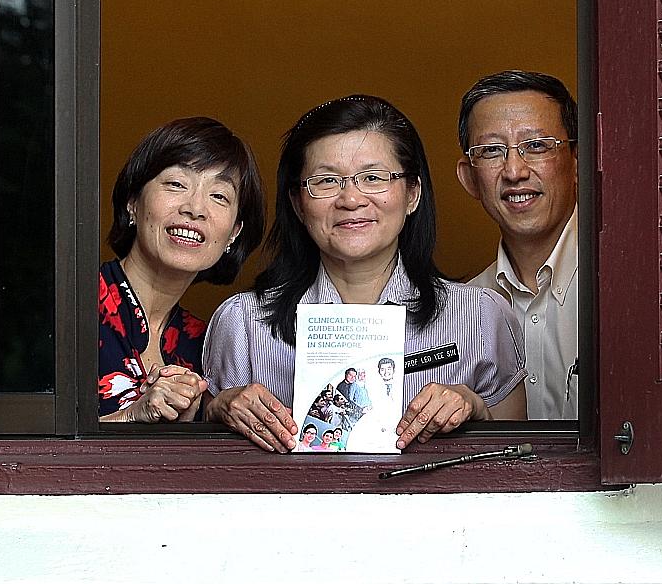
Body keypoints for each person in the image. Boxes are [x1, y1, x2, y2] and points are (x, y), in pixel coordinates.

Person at [203, 95, 526, 451]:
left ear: (412, 194)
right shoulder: (243, 323)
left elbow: (520, 463)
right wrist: (217, 411)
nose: (351, 200)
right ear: (297, 203)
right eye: (326, 181)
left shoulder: (481, 316)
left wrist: (477, 410)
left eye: (373, 178)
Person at [98, 117, 266, 422]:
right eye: (176, 184)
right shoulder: (72, 307)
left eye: (219, 196)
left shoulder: (203, 345)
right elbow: (24, 434)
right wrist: (132, 417)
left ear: (234, 233)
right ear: (133, 202)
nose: (195, 208)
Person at [455, 71, 579, 420]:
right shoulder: (461, 311)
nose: (514, 171)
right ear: (469, 178)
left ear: (578, 161)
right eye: (491, 151)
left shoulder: (626, 284)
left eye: (536, 145)